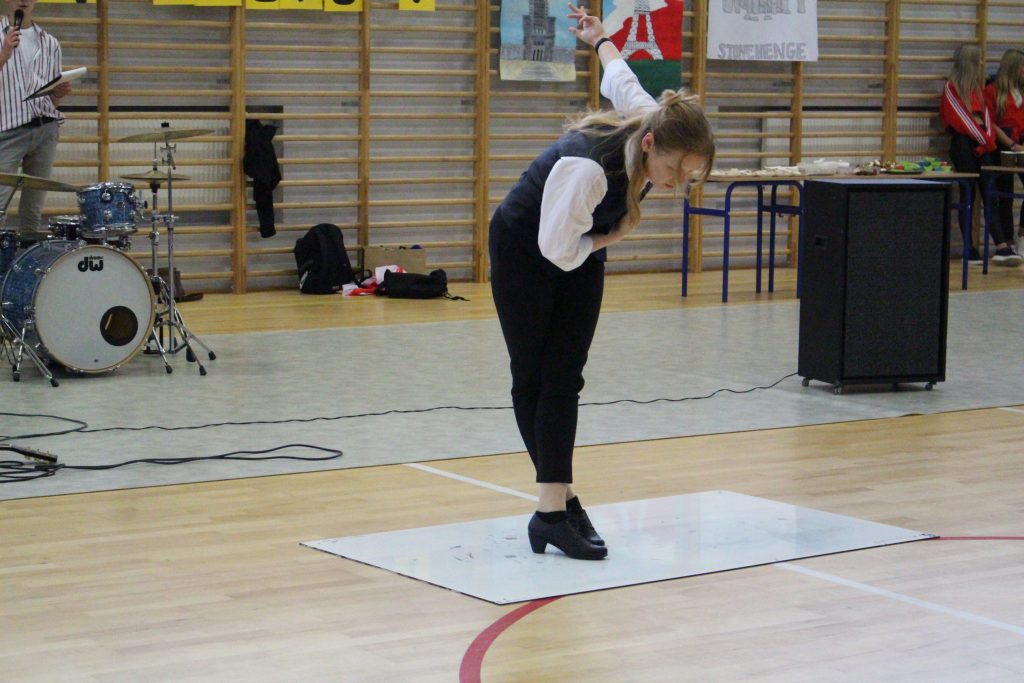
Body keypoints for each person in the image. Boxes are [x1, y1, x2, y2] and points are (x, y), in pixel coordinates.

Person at [489, 3, 715, 560]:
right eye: (674, 171)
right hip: (526, 248)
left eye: (689, 176)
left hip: (579, 244)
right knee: (533, 376)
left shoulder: (654, 119)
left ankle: (554, 508)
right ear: (649, 146)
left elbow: (621, 76)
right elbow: (555, 249)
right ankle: (555, 509)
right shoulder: (587, 166)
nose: (676, 183)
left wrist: (598, 38)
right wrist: (613, 236)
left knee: (565, 376)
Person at [940, 44, 1022, 266]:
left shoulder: (977, 89)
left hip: (983, 143)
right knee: (968, 195)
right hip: (964, 144)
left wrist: (986, 139)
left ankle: (1002, 246)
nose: (982, 64)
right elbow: (962, 119)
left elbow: (985, 118)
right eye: (979, 60)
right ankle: (969, 248)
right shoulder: (952, 87)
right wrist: (985, 138)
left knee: (989, 193)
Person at [0, 0, 72, 234]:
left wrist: (57, 93)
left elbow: (52, 98)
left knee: (33, 209)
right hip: (8, 129)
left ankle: (27, 256)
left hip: (45, 128)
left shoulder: (50, 43)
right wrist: (4, 53)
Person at [984, 49, 1024, 256]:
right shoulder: (993, 91)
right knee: (1005, 195)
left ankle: (1022, 234)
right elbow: (990, 123)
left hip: (1021, 142)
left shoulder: (1022, 91)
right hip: (1003, 145)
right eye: (1022, 66)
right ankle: (1007, 241)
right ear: (1013, 67)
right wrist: (1011, 144)